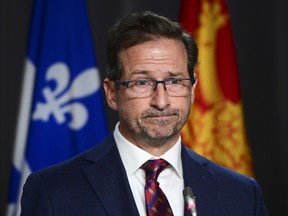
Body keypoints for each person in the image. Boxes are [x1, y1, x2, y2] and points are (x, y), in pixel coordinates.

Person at [21, 11, 268, 216]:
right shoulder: (52, 191)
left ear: (192, 90)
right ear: (111, 93)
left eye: (174, 82)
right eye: (141, 83)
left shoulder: (243, 194)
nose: (161, 101)